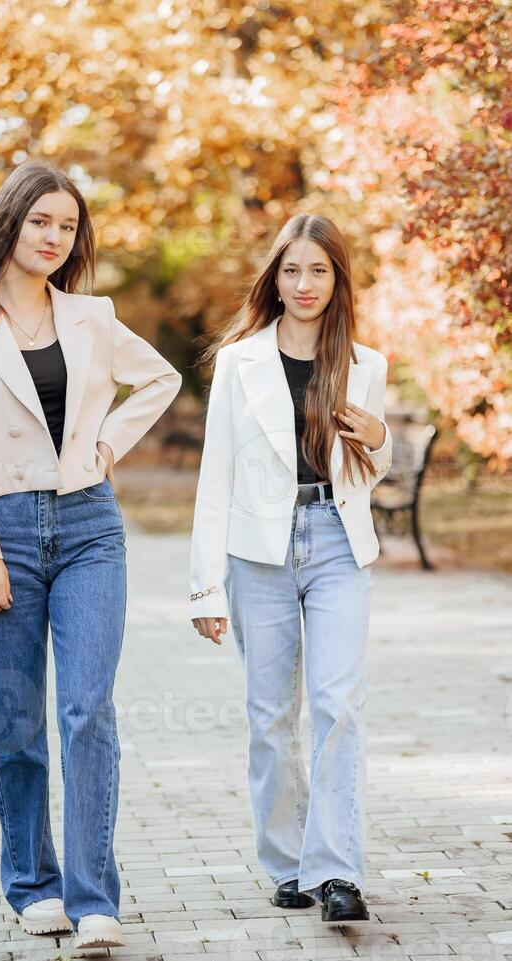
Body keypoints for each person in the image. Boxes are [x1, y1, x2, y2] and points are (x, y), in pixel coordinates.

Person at [0, 160, 182, 948]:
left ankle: (94, 898)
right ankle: (32, 884)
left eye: (68, 226)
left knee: (87, 711)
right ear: (9, 223)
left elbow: (162, 379)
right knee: (14, 724)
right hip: (1, 534)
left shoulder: (91, 317)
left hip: (89, 530)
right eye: (41, 221)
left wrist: (108, 442)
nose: (54, 237)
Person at [189, 213, 393, 923]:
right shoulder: (241, 361)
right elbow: (215, 477)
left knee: (338, 708)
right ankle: (286, 863)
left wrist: (384, 437)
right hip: (259, 553)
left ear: (338, 280)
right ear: (274, 278)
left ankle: (337, 872)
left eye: (319, 271)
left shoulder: (366, 364)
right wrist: (202, 586)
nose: (304, 284)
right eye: (292, 270)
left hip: (338, 541)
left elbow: (368, 463)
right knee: (270, 715)